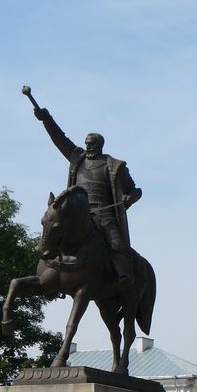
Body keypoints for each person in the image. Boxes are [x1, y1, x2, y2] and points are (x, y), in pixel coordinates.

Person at [33, 105, 142, 288]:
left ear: (99, 145)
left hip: (103, 213)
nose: (88, 146)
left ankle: (124, 275)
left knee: (117, 244)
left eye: (91, 144)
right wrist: (46, 119)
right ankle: (48, 274)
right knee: (52, 231)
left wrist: (129, 198)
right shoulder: (78, 158)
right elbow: (60, 139)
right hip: (76, 214)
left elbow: (135, 191)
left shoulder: (115, 166)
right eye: (86, 143)